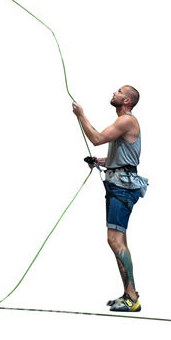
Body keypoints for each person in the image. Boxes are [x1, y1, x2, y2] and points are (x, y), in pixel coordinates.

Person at [72, 85, 148, 312]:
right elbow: (125, 158)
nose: (114, 92)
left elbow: (96, 138)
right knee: (117, 240)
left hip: (122, 187)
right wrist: (100, 161)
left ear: (126, 100)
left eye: (119, 91)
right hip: (119, 184)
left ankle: (132, 297)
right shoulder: (123, 123)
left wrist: (80, 115)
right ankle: (128, 294)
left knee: (115, 241)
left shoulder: (127, 120)